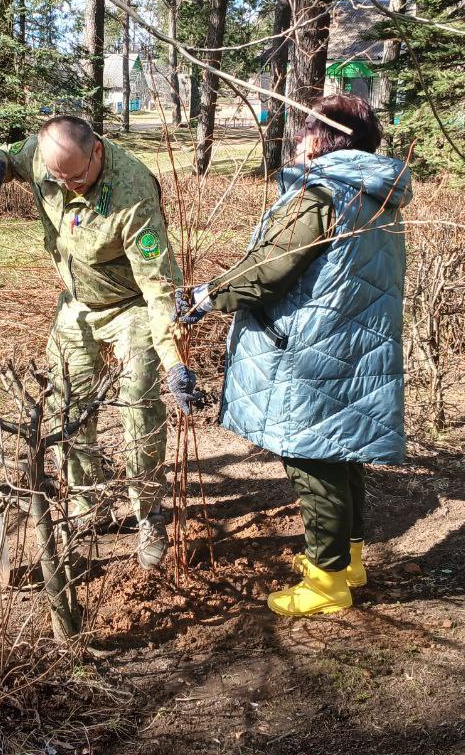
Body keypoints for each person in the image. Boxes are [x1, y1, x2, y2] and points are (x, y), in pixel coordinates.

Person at [175, 95, 412, 617]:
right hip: (353, 343)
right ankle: (347, 562)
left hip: (312, 347)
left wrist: (207, 296)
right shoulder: (375, 192)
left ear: (323, 139)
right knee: (341, 452)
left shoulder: (323, 192)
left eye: (306, 131)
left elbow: (270, 269)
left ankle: (327, 585)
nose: (299, 140)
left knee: (312, 458)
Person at [0, 115, 204, 568]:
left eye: (76, 177)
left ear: (97, 149)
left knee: (138, 396)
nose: (68, 186)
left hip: (132, 303)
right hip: (77, 302)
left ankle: (148, 512)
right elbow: (10, 157)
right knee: (68, 402)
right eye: (58, 178)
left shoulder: (133, 192)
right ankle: (86, 506)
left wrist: (173, 360)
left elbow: (160, 288)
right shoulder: (45, 158)